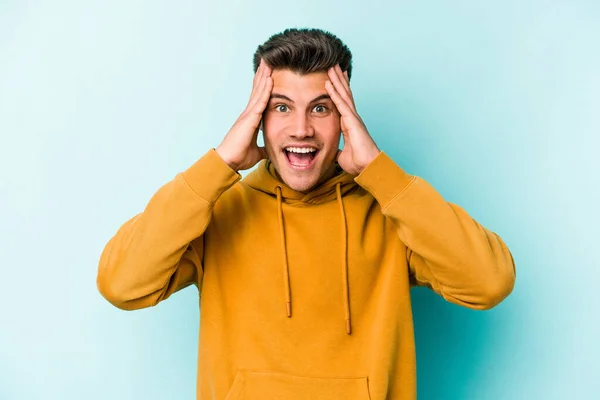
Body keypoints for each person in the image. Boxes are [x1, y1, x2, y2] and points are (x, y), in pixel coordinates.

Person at [97, 27, 516, 400]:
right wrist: (220, 164)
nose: (301, 128)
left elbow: (489, 282)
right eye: (281, 107)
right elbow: (121, 284)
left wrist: (380, 174)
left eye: (320, 108)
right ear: (256, 119)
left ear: (345, 120)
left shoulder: (394, 213)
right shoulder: (216, 212)